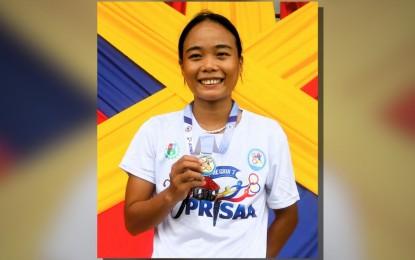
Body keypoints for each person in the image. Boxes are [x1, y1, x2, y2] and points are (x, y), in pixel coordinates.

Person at [119, 10, 299, 258]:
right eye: (195, 56)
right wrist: (172, 194)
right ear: (182, 66)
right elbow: (133, 223)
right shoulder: (155, 130)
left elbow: (288, 215)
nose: (209, 66)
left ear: (240, 62)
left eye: (222, 54)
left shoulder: (268, 133)